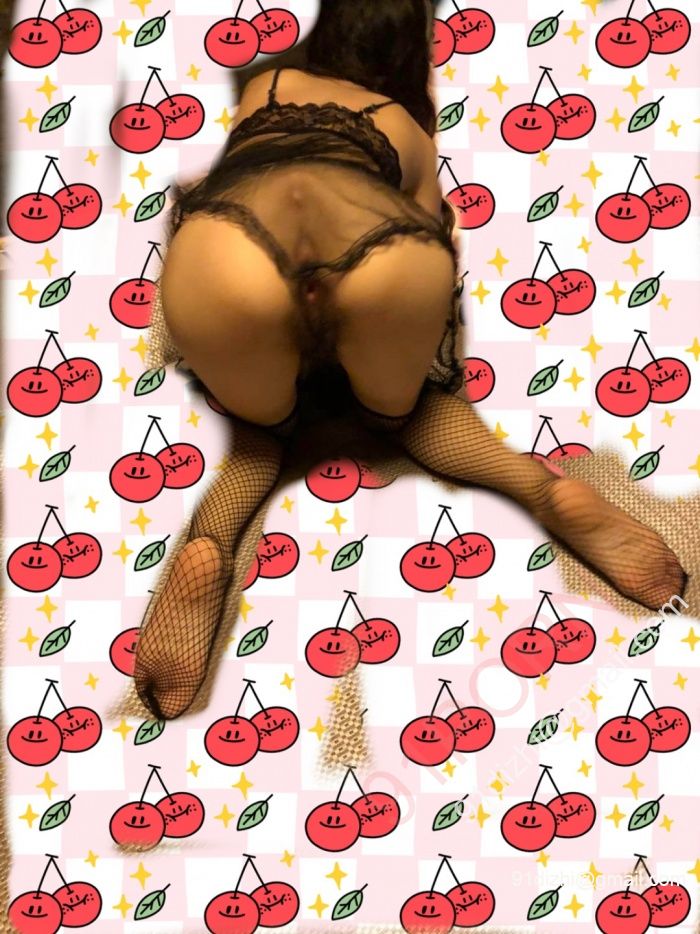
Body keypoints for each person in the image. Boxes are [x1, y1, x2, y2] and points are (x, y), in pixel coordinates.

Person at [134, 0, 687, 721]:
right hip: (380, 256)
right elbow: (435, 229)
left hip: (230, 253)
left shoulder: (268, 85)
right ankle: (545, 493)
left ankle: (207, 546)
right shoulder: (404, 126)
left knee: (259, 434)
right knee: (404, 413)